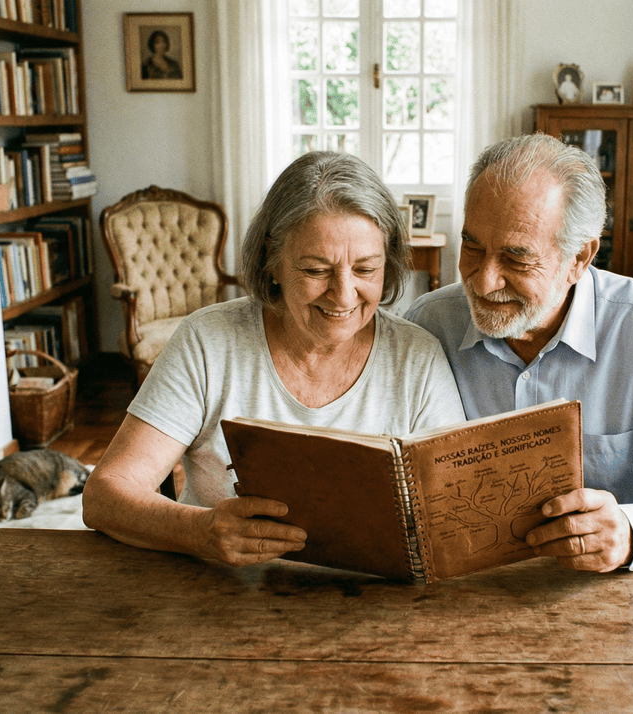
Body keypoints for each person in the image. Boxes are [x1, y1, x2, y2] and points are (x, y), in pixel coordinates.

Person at [83, 151, 466, 565]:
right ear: (272, 261)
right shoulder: (208, 342)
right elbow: (104, 496)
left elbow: (457, 508)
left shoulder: (417, 357)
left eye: (365, 269)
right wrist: (200, 531)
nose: (343, 294)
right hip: (222, 594)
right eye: (316, 270)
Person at [406, 134, 633, 573]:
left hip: (612, 595)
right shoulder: (428, 325)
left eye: (517, 260)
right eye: (474, 247)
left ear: (580, 257)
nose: (482, 282)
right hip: (466, 588)